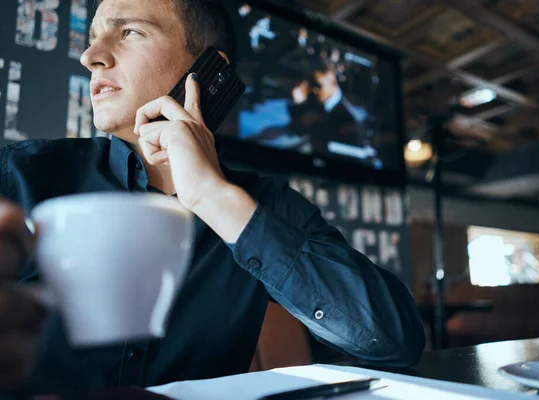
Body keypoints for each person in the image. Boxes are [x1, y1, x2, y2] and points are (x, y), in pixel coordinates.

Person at [0, 0, 424, 394]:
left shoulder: (267, 205)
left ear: (207, 71)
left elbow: (392, 341)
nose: (90, 55)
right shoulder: (17, 173)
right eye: (92, 36)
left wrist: (214, 198)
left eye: (128, 32)